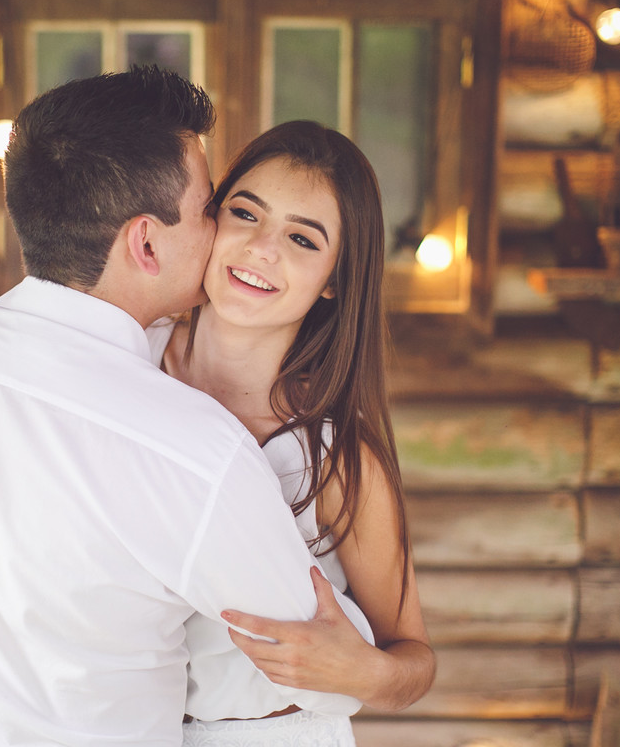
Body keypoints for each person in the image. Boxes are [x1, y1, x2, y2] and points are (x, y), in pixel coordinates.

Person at [0, 68, 372, 747]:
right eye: (214, 209)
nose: (224, 234)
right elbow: (318, 662)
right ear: (146, 243)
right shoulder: (197, 446)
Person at [150, 121, 436, 744]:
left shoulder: (335, 459)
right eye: (245, 213)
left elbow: (413, 660)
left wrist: (366, 672)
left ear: (334, 278)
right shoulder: (122, 364)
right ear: (209, 219)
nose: (261, 248)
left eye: (303, 238)